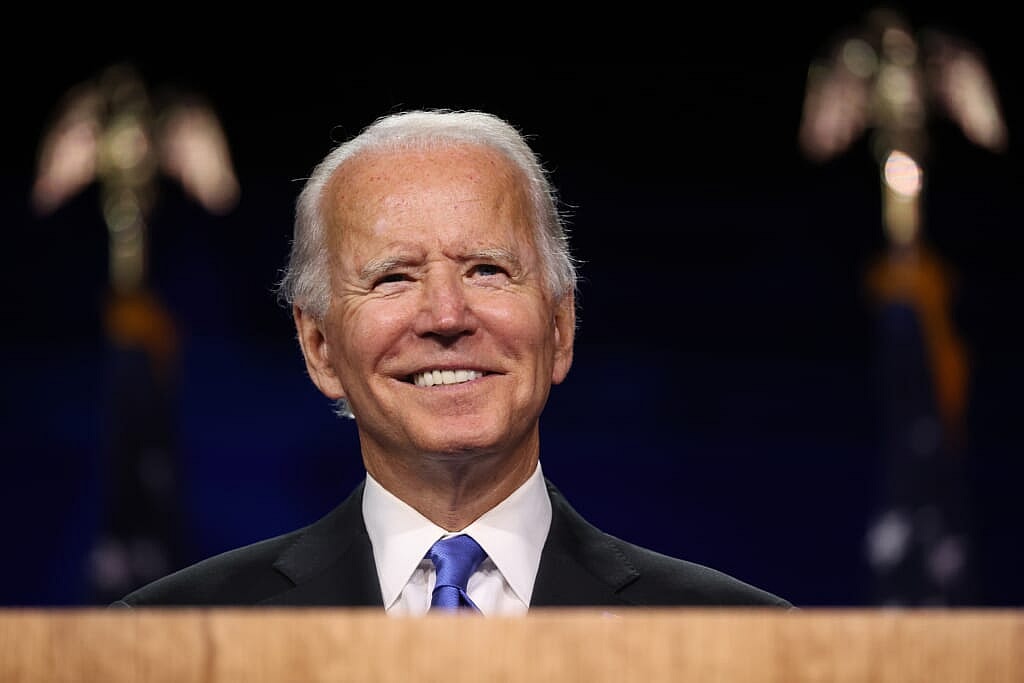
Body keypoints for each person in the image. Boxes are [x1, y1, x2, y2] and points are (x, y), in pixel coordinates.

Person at [113, 108, 792, 613]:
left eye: (488, 269)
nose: (446, 316)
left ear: (560, 326)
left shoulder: (746, 640)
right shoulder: (163, 638)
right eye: (393, 278)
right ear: (319, 347)